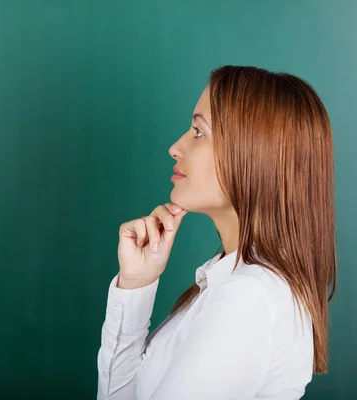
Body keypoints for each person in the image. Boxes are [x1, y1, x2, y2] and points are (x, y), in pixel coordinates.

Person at [96, 65, 337, 400]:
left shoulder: (250, 297)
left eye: (198, 131)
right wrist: (136, 284)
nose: (175, 147)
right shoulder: (235, 284)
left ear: (255, 153)